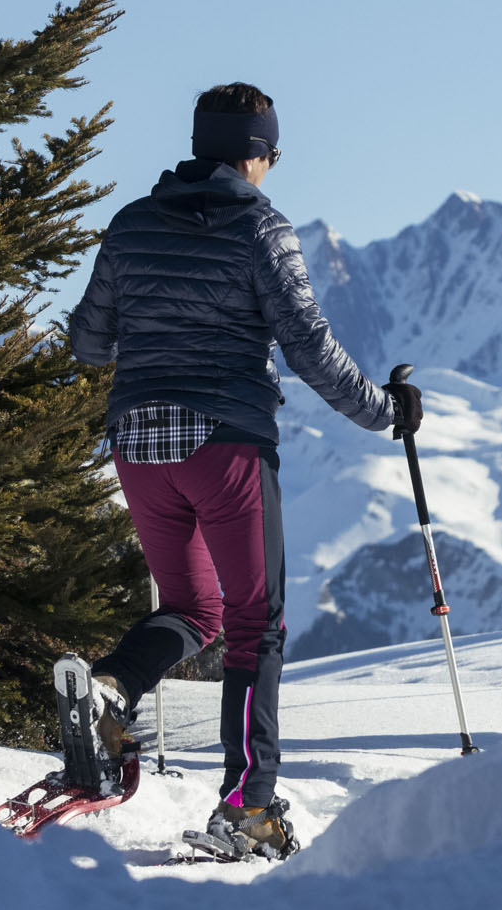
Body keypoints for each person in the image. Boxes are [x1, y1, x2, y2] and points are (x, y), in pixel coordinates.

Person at [60, 82, 418, 860]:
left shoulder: (130, 223)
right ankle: (248, 806)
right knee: (255, 623)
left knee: (194, 608)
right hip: (226, 442)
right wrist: (385, 413)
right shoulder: (262, 227)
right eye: (273, 155)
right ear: (258, 153)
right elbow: (309, 345)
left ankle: (114, 690)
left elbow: (88, 343)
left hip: (137, 443)